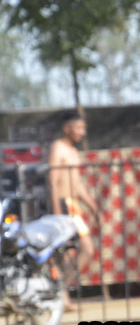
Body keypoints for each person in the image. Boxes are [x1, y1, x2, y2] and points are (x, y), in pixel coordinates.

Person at [47, 109, 96, 310]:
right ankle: (61, 296)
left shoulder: (74, 151)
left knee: (86, 249)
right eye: (79, 128)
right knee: (67, 253)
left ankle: (61, 292)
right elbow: (53, 181)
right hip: (62, 204)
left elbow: (77, 184)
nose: (82, 132)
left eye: (84, 128)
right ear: (66, 128)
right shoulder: (57, 148)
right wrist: (57, 213)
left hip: (73, 205)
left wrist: (92, 206)